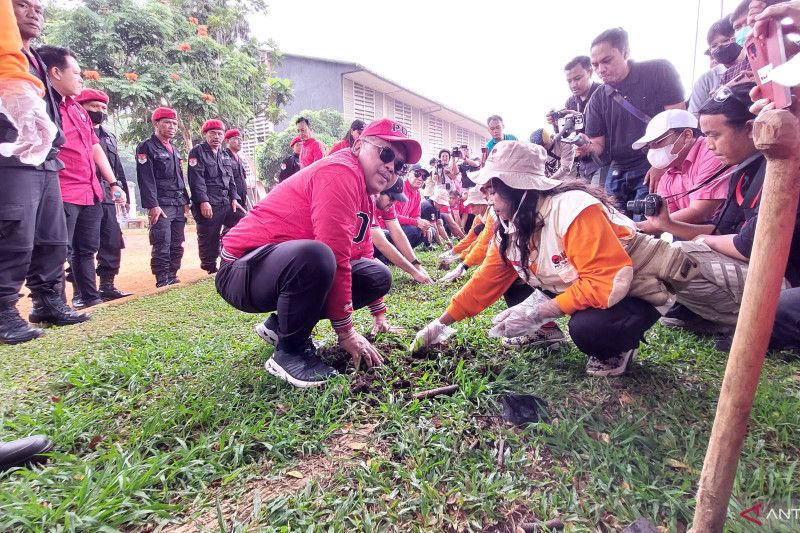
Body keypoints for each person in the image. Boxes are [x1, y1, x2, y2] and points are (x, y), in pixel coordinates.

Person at [413, 141, 661, 376]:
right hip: (581, 283)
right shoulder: (511, 225)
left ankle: (617, 346)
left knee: (588, 330)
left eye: (492, 190)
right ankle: (546, 333)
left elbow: (608, 281)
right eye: (485, 190)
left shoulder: (573, 210)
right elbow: (486, 279)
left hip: (634, 289)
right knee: (510, 279)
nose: (488, 199)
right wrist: (441, 323)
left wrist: (540, 312)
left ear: (516, 187)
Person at [216, 118, 422, 388]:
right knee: (319, 256)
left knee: (376, 275)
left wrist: (378, 313)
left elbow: (362, 252)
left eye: (400, 165)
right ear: (358, 145)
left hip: (271, 266)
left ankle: (281, 327)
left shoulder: (365, 191)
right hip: (240, 268)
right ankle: (290, 352)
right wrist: (346, 332)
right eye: (385, 154)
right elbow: (336, 255)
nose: (391, 167)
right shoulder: (341, 172)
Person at [645, 84, 800, 331]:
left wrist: (705, 241)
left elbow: (751, 245)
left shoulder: (780, 170)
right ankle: (739, 318)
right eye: (705, 135)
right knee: (659, 252)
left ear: (751, 129)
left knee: (680, 255)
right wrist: (668, 225)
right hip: (759, 272)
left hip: (787, 281)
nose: (708, 145)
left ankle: (755, 322)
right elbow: (719, 230)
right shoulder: (742, 172)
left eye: (714, 135)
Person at [1, 0, 89, 344]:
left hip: (46, 158)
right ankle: (4, 309)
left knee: (53, 237)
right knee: (14, 234)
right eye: (22, 5)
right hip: (11, 153)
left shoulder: (36, 57)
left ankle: (49, 301)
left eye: (39, 7)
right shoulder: (7, 58)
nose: (34, 12)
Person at [37, 45, 127, 310]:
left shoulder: (77, 111)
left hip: (91, 191)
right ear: (55, 72)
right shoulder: (45, 106)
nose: (80, 79)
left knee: (86, 249)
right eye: (76, 73)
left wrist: (113, 182)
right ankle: (52, 305)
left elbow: (94, 147)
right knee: (57, 250)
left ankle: (90, 297)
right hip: (62, 189)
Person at [580, 27, 686, 215]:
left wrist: (661, 164)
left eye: (607, 61)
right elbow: (598, 144)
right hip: (617, 170)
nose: (600, 70)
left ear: (626, 52)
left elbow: (678, 120)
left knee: (645, 227)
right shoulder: (597, 98)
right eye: (595, 65)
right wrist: (585, 146)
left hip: (652, 164)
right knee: (615, 227)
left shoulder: (658, 71)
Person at [631, 109, 729, 232]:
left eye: (657, 142)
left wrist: (636, 228)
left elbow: (701, 212)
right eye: (649, 147)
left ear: (687, 135)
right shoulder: (667, 176)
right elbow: (666, 217)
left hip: (725, 232)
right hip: (696, 236)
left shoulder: (711, 152)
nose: (653, 151)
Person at [76, 88, 132, 302]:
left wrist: (122, 191)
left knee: (111, 238)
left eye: (103, 108)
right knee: (84, 242)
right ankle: (81, 292)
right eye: (94, 107)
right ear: (81, 108)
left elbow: (116, 166)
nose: (99, 111)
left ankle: (107, 285)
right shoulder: (75, 130)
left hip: (107, 193)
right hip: (83, 191)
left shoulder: (108, 136)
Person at [136, 107, 190, 288]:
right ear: (156, 123)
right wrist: (153, 205)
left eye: (174, 123)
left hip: (177, 202)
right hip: (161, 204)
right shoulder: (146, 147)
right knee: (162, 241)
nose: (172, 127)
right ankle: (162, 279)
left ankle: (172, 275)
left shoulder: (174, 149)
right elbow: (146, 179)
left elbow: (180, 178)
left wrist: (185, 201)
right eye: (167, 122)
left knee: (177, 242)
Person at [187, 118, 244, 274]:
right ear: (205, 134)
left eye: (220, 133)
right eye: (213, 133)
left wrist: (234, 198)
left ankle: (231, 253)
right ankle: (210, 268)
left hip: (226, 202)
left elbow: (231, 178)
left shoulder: (223, 155)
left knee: (243, 221)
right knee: (209, 236)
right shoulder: (197, 152)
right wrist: (203, 201)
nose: (216, 137)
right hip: (209, 203)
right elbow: (196, 180)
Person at [549, 56, 606, 184]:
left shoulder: (602, 93)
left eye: (577, 78)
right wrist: (556, 123)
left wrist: (581, 117)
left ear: (590, 72)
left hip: (603, 162)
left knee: (600, 200)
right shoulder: (570, 102)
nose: (573, 85)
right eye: (569, 81)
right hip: (583, 164)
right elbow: (567, 136)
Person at [371, 176, 433, 284]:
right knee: (381, 277)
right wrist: (414, 272)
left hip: (368, 242)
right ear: (378, 192)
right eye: (391, 198)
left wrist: (416, 265)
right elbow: (381, 243)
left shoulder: (389, 205)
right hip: (347, 250)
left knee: (382, 274)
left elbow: (398, 232)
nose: (393, 203)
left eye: (396, 200)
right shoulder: (368, 200)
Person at [688, 18, 739, 115]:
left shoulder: (753, 66)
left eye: (725, 41)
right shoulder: (706, 79)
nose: (720, 46)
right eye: (714, 45)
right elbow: (694, 115)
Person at [394, 164, 434, 249]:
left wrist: (424, 225)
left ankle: (403, 252)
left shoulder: (417, 194)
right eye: (417, 174)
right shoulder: (399, 187)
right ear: (408, 174)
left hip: (401, 225)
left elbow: (416, 215)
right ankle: (388, 255)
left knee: (430, 230)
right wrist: (416, 222)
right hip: (388, 226)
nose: (420, 178)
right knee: (414, 231)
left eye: (424, 177)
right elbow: (392, 216)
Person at [224, 129, 249, 211]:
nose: (239, 142)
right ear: (227, 141)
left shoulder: (239, 159)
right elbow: (227, 181)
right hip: (231, 201)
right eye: (236, 139)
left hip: (242, 199)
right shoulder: (224, 157)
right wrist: (232, 199)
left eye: (240, 139)